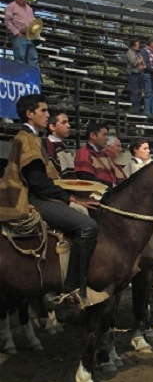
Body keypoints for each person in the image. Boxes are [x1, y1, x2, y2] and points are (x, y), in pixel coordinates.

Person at [0, 95, 100, 304]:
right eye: (43, 111)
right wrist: (71, 197)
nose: (47, 115)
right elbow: (37, 182)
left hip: (39, 195)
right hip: (32, 199)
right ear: (30, 114)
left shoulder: (31, 138)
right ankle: (73, 288)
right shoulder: (26, 139)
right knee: (87, 226)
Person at [4, 0, 38, 67]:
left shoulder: (29, 9)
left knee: (33, 58)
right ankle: (20, 77)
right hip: (19, 36)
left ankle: (30, 77)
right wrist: (16, 33)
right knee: (20, 59)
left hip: (29, 36)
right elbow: (7, 21)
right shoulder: (11, 6)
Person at [45, 110, 75, 179]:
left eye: (68, 122)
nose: (68, 125)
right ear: (52, 127)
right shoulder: (48, 145)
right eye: (63, 123)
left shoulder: (63, 146)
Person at [125, 40, 146, 113]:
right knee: (134, 92)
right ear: (133, 45)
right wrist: (140, 61)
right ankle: (134, 110)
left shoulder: (138, 53)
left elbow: (144, 64)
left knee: (138, 93)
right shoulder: (130, 52)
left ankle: (136, 110)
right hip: (133, 75)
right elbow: (134, 62)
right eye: (137, 45)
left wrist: (142, 66)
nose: (138, 46)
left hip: (139, 75)